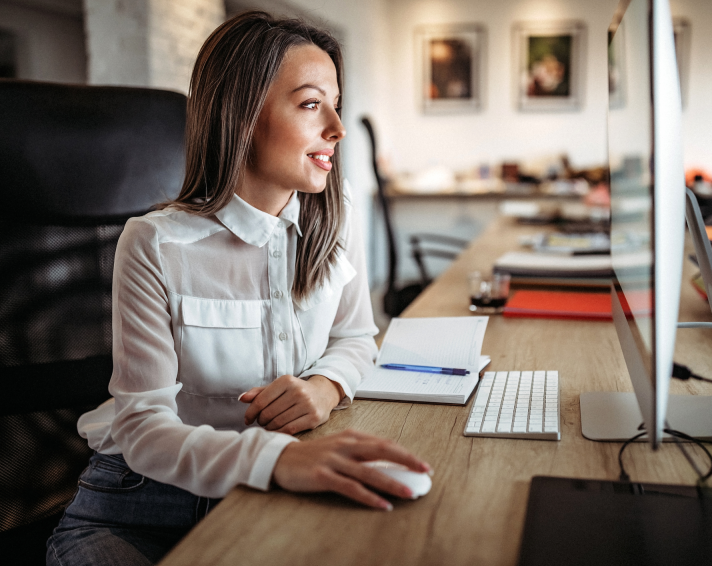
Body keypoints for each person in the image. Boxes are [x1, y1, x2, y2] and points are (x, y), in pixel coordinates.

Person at [46, 12, 429, 566]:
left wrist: (325, 386)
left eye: (336, 104)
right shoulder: (154, 244)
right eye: (310, 104)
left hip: (268, 489)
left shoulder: (336, 217)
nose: (338, 129)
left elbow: (358, 337)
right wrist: (274, 459)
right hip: (139, 502)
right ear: (243, 115)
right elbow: (144, 429)